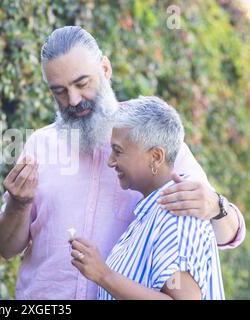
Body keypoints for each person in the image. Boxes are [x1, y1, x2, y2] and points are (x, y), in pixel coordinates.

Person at [0, 26, 245, 299]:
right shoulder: (39, 146)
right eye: (59, 91)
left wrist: (216, 207)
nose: (73, 100)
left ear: (105, 68)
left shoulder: (150, 142)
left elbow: (217, 235)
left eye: (82, 83)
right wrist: (18, 205)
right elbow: (7, 248)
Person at [71, 96, 224, 299]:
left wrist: (103, 275)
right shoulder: (151, 214)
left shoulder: (176, 214)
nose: (110, 161)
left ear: (156, 157)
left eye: (118, 151)